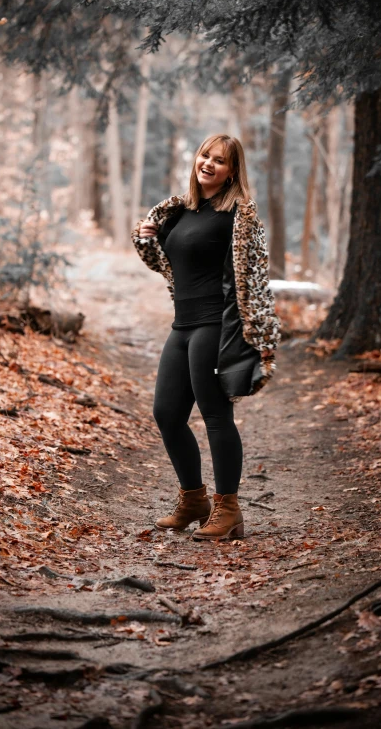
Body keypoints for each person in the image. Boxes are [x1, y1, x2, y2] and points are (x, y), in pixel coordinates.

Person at [131, 134, 281, 541]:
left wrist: (257, 332)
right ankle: (193, 499)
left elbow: (254, 275)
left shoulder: (238, 215)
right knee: (166, 414)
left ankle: (228, 509)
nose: (209, 164)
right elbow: (171, 266)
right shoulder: (180, 211)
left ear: (233, 170)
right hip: (182, 325)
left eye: (220, 160)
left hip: (215, 325)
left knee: (215, 416)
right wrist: (149, 238)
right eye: (205, 155)